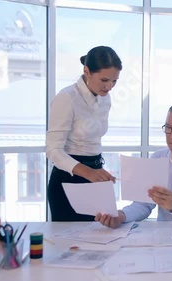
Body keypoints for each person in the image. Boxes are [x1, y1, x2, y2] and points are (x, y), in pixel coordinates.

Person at [95, 101, 172, 228]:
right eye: (168, 128)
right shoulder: (157, 157)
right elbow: (144, 204)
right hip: (162, 235)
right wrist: (121, 216)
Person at [46, 46, 122, 221]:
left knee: (100, 238)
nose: (109, 86)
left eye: (114, 81)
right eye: (104, 80)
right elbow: (53, 150)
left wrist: (97, 171)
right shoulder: (67, 97)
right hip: (68, 179)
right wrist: (88, 172)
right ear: (86, 71)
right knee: (69, 244)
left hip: (95, 175)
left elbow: (91, 142)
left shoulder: (105, 98)